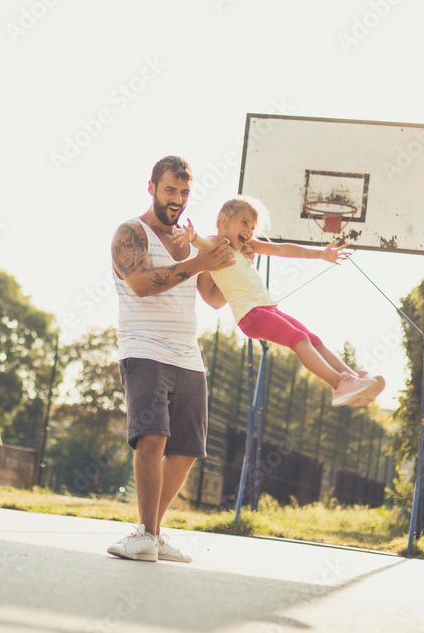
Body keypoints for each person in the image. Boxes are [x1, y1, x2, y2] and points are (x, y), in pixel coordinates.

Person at [107, 155, 236, 564]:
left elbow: (212, 298)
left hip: (188, 355)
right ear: (151, 188)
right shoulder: (132, 232)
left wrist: (233, 267)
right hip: (144, 347)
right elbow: (143, 284)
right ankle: (144, 533)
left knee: (186, 448)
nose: (177, 198)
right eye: (169, 190)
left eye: (184, 191)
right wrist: (198, 261)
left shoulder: (187, 237)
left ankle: (152, 534)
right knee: (152, 437)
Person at [182, 195, 385, 408]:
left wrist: (320, 254)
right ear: (223, 221)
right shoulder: (218, 243)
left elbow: (281, 249)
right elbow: (204, 244)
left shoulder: (246, 247)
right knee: (298, 339)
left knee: (312, 338)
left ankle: (351, 377)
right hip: (250, 315)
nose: (249, 231)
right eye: (244, 223)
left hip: (267, 309)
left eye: (252, 227)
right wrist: (193, 237)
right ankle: (338, 384)